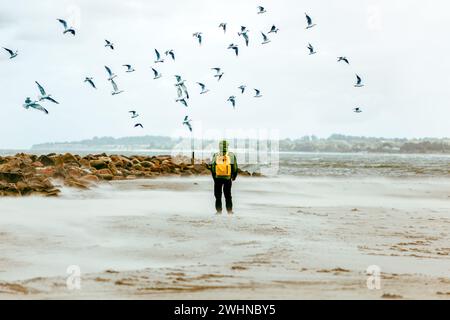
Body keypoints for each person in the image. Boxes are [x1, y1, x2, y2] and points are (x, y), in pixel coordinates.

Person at [210, 140, 238, 214]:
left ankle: (219, 211)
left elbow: (212, 167)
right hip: (227, 178)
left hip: (218, 178)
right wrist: (234, 176)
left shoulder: (216, 155)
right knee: (228, 195)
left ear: (219, 146)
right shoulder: (231, 155)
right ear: (227, 146)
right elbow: (235, 167)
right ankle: (229, 211)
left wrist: (214, 177)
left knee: (218, 195)